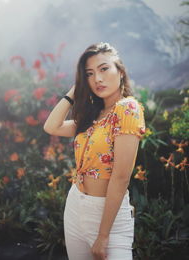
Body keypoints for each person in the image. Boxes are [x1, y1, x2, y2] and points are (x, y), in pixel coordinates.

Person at [43, 42, 146, 260]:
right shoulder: (93, 115)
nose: (97, 79)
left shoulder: (127, 109)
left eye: (104, 68)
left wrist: (103, 235)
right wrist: (75, 89)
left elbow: (120, 177)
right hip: (76, 206)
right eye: (89, 74)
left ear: (120, 70)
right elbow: (51, 126)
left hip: (108, 218)